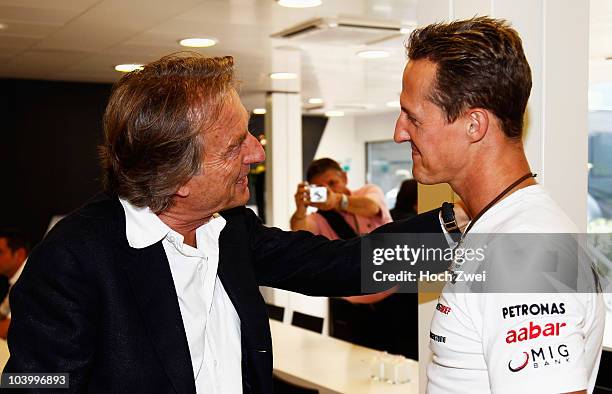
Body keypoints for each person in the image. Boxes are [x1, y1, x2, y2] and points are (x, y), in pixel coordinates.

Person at [4, 54, 449, 393]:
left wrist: (458, 225)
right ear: (175, 174)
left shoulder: (229, 228)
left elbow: (339, 263)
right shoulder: (72, 261)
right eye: (238, 144)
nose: (258, 154)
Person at [394, 17, 604, 394]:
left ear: (474, 125)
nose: (399, 132)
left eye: (413, 117)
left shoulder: (524, 252)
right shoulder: (497, 228)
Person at [290, 157, 392, 237]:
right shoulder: (318, 218)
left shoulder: (368, 190)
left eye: (332, 183)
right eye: (320, 188)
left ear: (344, 177)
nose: (329, 190)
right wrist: (300, 211)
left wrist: (336, 200)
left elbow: (372, 208)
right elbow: (300, 232)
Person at [0, 229, 29, 339]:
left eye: (0, 252)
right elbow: (3, 311)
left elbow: (7, 329)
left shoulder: (30, 278)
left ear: (19, 254)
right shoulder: (17, 280)